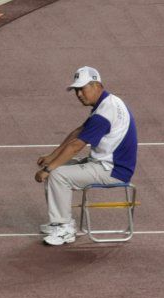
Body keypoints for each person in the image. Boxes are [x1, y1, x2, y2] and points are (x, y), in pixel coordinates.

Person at [34, 66, 138, 245]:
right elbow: (79, 131)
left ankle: (64, 228)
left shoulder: (103, 114)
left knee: (57, 174)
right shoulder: (108, 102)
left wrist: (49, 168)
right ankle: (59, 221)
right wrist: (52, 157)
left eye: (82, 88)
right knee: (55, 170)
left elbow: (76, 146)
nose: (79, 94)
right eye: (76, 90)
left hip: (113, 171)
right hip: (105, 164)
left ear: (97, 85)